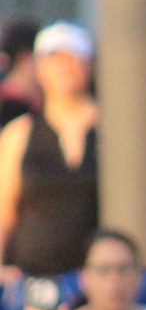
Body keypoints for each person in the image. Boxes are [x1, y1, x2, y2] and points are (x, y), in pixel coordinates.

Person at [0, 20, 98, 280]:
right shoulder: (19, 132)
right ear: (39, 67)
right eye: (54, 58)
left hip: (97, 280)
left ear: (89, 64)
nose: (64, 66)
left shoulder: (114, 131)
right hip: (33, 277)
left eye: (73, 57)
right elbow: (3, 210)